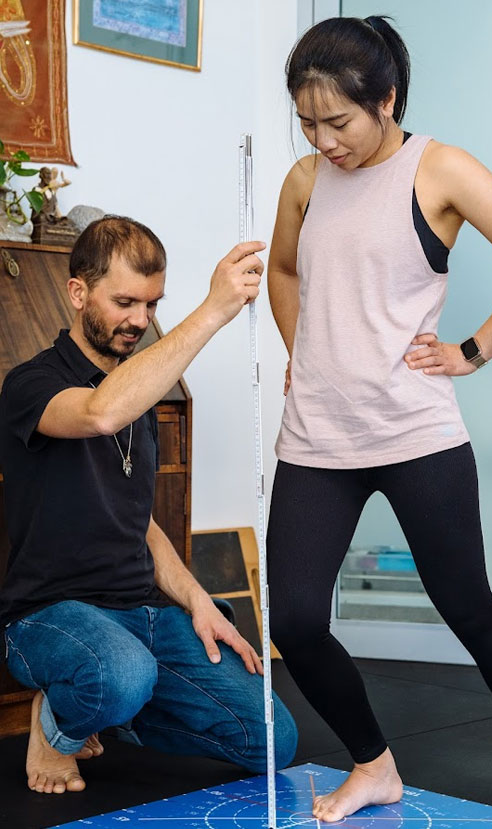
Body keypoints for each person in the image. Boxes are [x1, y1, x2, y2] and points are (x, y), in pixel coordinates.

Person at [266, 15, 492, 826]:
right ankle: (374, 765)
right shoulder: (303, 180)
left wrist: (471, 351)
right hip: (318, 436)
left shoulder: (440, 169)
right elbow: (284, 270)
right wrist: (303, 349)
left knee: (469, 609)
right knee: (295, 618)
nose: (324, 140)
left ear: (386, 99)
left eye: (338, 121)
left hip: (414, 433)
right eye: (307, 123)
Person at [0, 215, 297, 795]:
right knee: (122, 673)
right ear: (78, 292)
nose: (140, 320)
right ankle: (58, 725)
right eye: (125, 302)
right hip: (49, 616)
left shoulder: (142, 392)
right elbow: (100, 413)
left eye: (152, 304)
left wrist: (199, 601)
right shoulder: (29, 384)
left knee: (272, 740)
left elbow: (140, 523)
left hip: (143, 616)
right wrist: (213, 309)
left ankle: (102, 707)